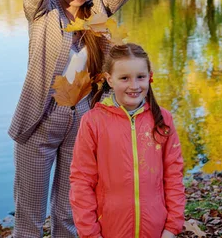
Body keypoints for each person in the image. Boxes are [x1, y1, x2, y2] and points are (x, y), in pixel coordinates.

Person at [9, 0, 176, 238]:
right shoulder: (41, 11)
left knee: (69, 215)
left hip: (83, 122)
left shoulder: (97, 11)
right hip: (40, 120)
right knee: (28, 220)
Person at [70, 43, 185, 238]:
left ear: (150, 76)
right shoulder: (93, 122)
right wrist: (90, 233)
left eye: (140, 77)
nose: (134, 86)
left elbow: (174, 175)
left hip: (156, 230)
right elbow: (81, 182)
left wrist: (172, 226)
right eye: (124, 78)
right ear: (110, 79)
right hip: (109, 230)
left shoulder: (163, 120)